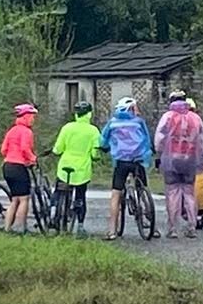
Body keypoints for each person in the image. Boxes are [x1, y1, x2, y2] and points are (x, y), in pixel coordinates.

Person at [154, 89, 203, 239]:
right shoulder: (195, 118)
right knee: (189, 193)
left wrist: (159, 153)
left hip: (171, 159)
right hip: (190, 159)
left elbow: (159, 138)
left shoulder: (168, 117)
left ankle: (173, 228)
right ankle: (192, 226)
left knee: (172, 193)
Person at [99, 95, 153, 238]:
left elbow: (103, 141)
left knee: (116, 194)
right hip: (138, 160)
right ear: (131, 109)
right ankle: (151, 221)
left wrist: (105, 147)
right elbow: (147, 140)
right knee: (143, 189)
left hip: (121, 162)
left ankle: (112, 231)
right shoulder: (139, 122)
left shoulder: (112, 123)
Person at [52, 101, 103, 234]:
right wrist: (95, 157)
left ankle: (54, 214)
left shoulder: (67, 128)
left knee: (59, 191)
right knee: (80, 196)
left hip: (65, 166)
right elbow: (95, 152)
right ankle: (80, 225)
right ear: (89, 114)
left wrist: (55, 151)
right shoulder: (93, 131)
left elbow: (58, 149)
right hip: (82, 169)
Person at [0, 103, 39, 233]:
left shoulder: (11, 130)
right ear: (26, 117)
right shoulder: (26, 132)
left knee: (14, 199)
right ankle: (20, 228)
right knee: (24, 199)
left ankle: (7, 228)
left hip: (7, 166)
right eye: (32, 116)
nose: (33, 119)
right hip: (18, 167)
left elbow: (3, 149)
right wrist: (33, 159)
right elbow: (25, 149)